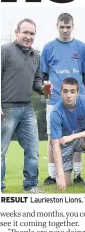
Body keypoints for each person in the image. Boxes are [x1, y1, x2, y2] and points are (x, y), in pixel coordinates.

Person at [41, 13, 85, 186]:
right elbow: (44, 76)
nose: (65, 30)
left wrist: (77, 93)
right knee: (52, 138)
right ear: (57, 26)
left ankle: (78, 174)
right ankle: (51, 174)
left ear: (73, 26)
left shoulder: (81, 47)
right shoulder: (48, 47)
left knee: (76, 135)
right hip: (55, 101)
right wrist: (49, 96)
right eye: (62, 27)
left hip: (76, 100)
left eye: (68, 26)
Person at [1, 18, 46, 193]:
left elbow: (37, 81)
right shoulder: (4, 51)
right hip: (6, 108)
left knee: (33, 149)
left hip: (27, 109)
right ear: (17, 33)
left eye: (32, 33)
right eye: (25, 32)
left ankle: (31, 186)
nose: (28, 36)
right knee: (1, 151)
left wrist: (44, 88)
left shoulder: (36, 55)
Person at [49, 78, 85, 191]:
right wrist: (60, 174)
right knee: (64, 185)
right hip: (63, 144)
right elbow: (56, 145)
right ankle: (65, 174)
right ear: (60, 92)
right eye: (65, 91)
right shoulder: (55, 112)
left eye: (72, 91)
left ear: (77, 92)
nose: (68, 95)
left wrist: (72, 136)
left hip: (79, 139)